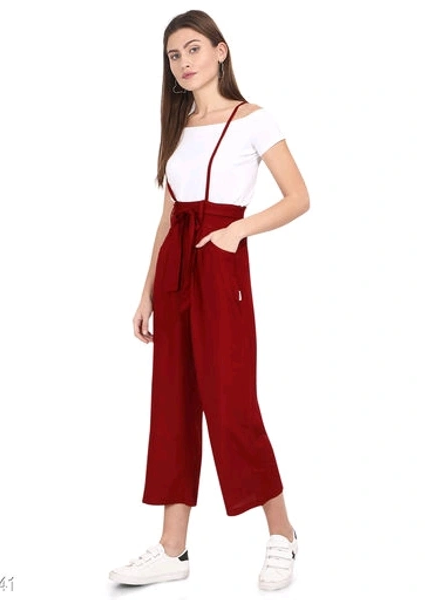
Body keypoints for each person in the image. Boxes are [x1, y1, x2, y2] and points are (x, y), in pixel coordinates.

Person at [108, 9, 309, 592]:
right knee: (173, 403)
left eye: (194, 49)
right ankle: (173, 549)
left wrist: (236, 232)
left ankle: (282, 534)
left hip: (221, 264)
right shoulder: (180, 127)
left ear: (221, 51)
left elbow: (298, 197)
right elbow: (168, 216)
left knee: (231, 402)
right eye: (174, 55)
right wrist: (146, 292)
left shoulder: (253, 120)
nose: (184, 62)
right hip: (175, 269)